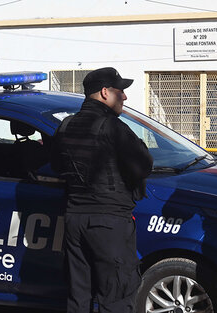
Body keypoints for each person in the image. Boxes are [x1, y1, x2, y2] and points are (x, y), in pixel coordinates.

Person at [51, 67, 153, 313]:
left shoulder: (66, 126)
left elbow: (56, 165)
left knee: (78, 297)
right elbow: (142, 166)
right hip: (109, 223)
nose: (125, 98)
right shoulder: (113, 127)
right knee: (116, 297)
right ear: (105, 92)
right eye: (121, 91)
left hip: (75, 221)